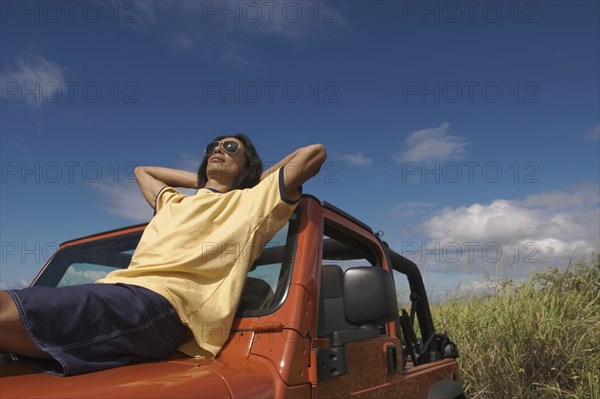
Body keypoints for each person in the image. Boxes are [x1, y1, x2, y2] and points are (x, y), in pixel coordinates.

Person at [0, 133, 327, 376]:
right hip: (115, 292)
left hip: (163, 306)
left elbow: (313, 153)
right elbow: (143, 172)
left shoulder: (252, 203)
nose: (218, 149)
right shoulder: (174, 203)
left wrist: (251, 183)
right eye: (213, 146)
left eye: (230, 149)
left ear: (247, 166)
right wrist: (201, 181)